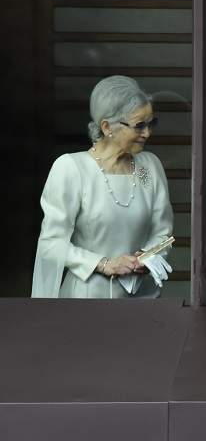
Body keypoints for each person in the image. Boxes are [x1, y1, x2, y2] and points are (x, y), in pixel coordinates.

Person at [31, 75, 173, 298]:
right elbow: (51, 244)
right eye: (139, 125)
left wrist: (148, 257)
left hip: (144, 300)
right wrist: (104, 263)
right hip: (88, 301)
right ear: (107, 126)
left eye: (151, 123)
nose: (147, 133)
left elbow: (162, 233)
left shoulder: (150, 165)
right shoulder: (71, 167)